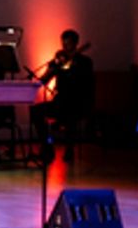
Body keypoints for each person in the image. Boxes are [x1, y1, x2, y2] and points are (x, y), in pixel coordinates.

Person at [32, 29, 94, 161]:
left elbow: (85, 84)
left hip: (77, 102)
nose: (65, 47)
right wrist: (51, 69)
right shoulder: (59, 61)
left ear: (76, 44)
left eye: (69, 44)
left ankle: (69, 149)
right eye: (63, 44)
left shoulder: (84, 62)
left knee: (70, 113)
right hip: (59, 101)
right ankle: (47, 147)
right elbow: (45, 79)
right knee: (36, 110)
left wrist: (71, 64)